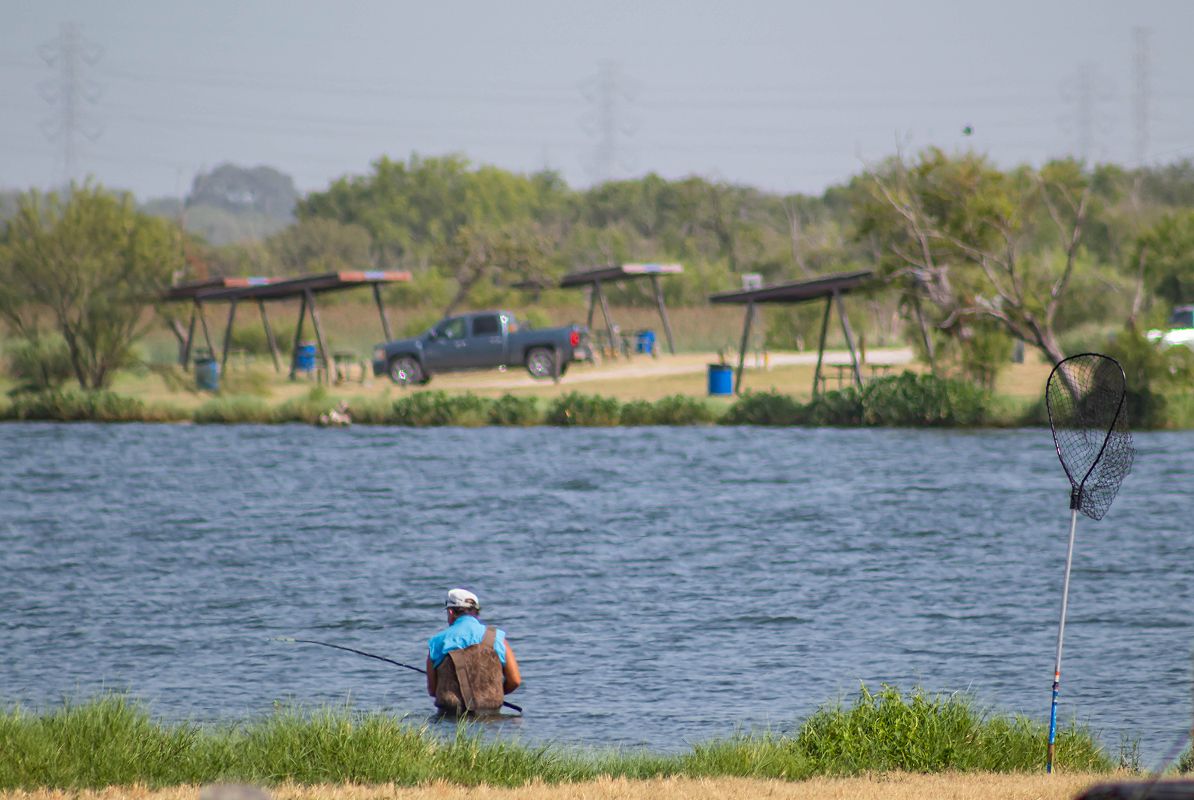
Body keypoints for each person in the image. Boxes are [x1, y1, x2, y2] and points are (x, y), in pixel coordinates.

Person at [426, 588, 520, 715]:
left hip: (450, 715)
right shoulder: (497, 638)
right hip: (491, 718)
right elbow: (515, 681)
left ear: (451, 612)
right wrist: (495, 692)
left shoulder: (437, 642)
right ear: (477, 612)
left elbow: (432, 690)